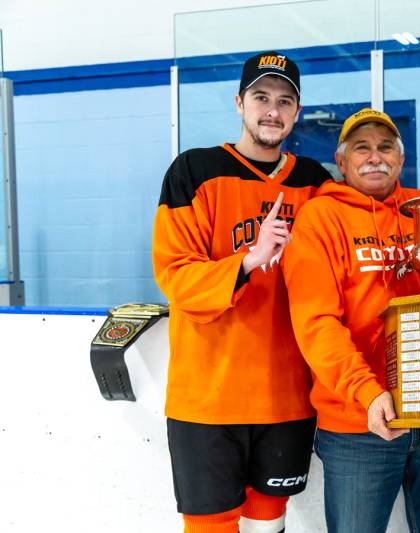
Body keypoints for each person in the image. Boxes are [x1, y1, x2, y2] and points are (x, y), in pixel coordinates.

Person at [152, 51, 331, 533]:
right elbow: (175, 276)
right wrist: (249, 260)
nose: (272, 110)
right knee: (210, 525)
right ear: (239, 103)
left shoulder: (316, 183)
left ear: (297, 112)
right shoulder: (194, 171)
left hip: (288, 397)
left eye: (284, 101)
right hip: (207, 399)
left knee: (268, 525)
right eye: (261, 97)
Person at [283, 108, 420, 533]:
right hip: (357, 424)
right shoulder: (321, 218)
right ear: (342, 161)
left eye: (386, 147)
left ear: (400, 159)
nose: (375, 156)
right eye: (362, 148)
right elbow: (316, 323)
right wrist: (367, 393)